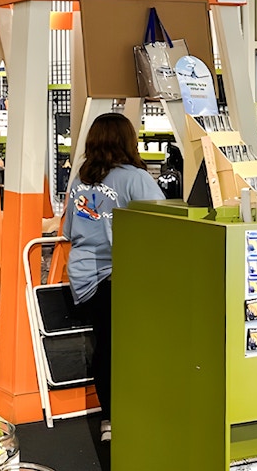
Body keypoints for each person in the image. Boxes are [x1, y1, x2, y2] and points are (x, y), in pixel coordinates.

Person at [62, 113, 163, 444]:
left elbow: (68, 230)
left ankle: (110, 419)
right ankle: (130, 416)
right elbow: (162, 226)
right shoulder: (136, 179)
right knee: (127, 347)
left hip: (83, 276)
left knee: (104, 345)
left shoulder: (80, 179)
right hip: (120, 275)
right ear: (128, 141)